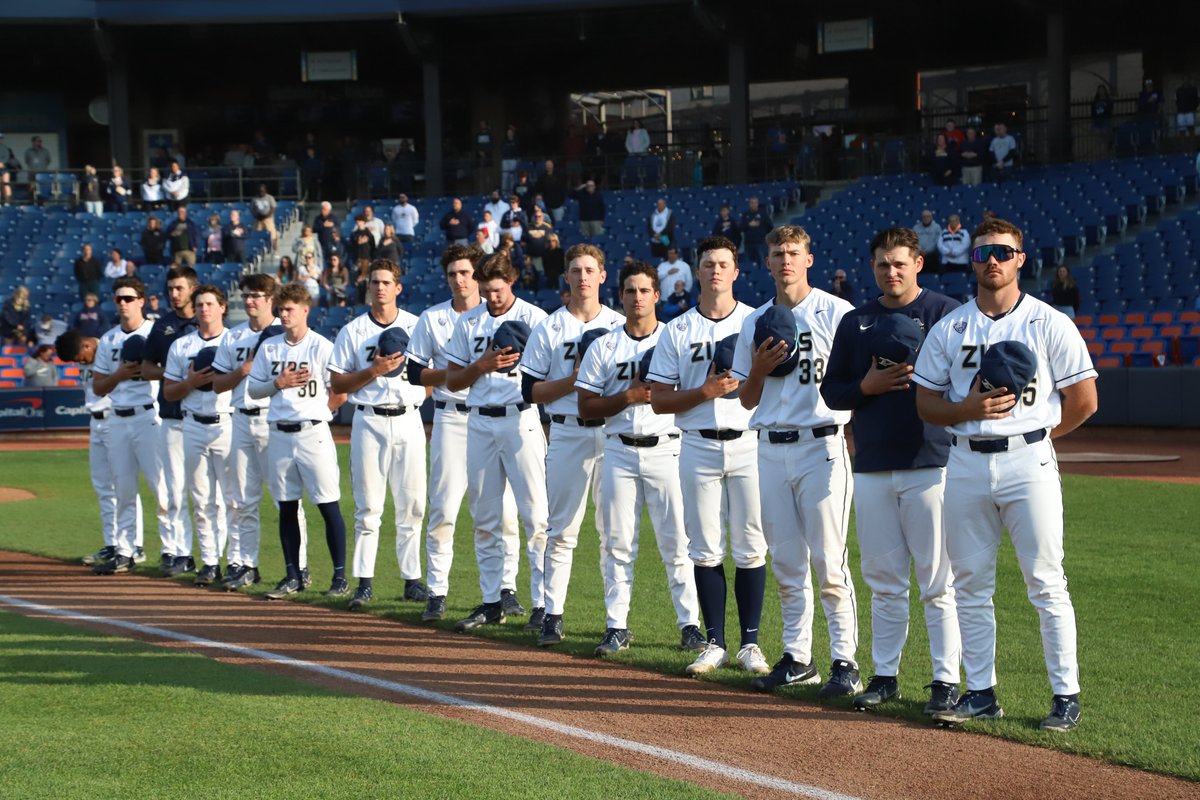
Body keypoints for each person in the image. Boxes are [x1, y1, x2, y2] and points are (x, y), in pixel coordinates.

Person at [913, 217, 1098, 732]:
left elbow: (1084, 401)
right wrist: (967, 408)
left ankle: (1065, 696)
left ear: (1020, 259)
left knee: (1046, 582)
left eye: (1001, 251)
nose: (991, 260)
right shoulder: (952, 327)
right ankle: (981, 692)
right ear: (970, 263)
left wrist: (1034, 438)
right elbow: (927, 404)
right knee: (970, 584)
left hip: (1028, 461)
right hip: (967, 460)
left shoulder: (1049, 322)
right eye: (981, 254)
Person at [821, 226, 963, 715]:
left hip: (932, 462)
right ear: (873, 267)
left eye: (900, 262)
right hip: (874, 465)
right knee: (883, 580)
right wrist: (868, 385)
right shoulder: (855, 320)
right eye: (882, 263)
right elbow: (832, 392)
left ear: (918, 263)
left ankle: (945, 681)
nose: (891, 270)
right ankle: (885, 676)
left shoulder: (946, 313)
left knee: (938, 581)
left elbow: (964, 385)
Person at [729, 225, 859, 697]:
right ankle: (798, 656)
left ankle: (845, 661)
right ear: (766, 262)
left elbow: (852, 384)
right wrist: (759, 372)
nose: (785, 260)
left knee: (829, 561)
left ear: (809, 259)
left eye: (794, 252)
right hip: (769, 447)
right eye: (778, 252)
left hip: (821, 443)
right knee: (785, 561)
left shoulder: (837, 313)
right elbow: (746, 399)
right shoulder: (754, 321)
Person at [647, 236, 770, 677]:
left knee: (752, 545)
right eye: (707, 264)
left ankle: (751, 643)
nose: (715, 271)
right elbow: (659, 400)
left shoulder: (759, 321)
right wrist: (705, 391)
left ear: (737, 271)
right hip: (696, 442)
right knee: (704, 547)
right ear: (695, 272)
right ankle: (715, 641)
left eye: (723, 264)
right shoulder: (677, 329)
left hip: (749, 440)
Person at [575, 259, 703, 656]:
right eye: (630, 290)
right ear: (621, 296)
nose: (637, 297)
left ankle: (690, 625)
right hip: (619, 448)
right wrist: (625, 397)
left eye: (645, 290)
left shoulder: (676, 338)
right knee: (617, 543)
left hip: (667, 446)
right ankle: (617, 625)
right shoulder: (605, 344)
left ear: (657, 295)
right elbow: (585, 407)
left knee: (678, 543)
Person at [406, 244, 521, 622]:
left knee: (504, 511)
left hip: (499, 417)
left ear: (480, 275)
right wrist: (466, 370)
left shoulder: (498, 316)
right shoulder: (433, 318)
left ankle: (507, 590)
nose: (460, 279)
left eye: (466, 273)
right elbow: (415, 374)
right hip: (451, 416)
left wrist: (471, 370)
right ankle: (437, 591)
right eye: (453, 273)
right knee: (443, 507)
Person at [521, 244, 624, 646]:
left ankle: (617, 621)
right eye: (576, 270)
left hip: (612, 431)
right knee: (560, 530)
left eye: (590, 270)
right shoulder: (550, 327)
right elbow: (529, 390)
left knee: (614, 533)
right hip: (566, 430)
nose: (583, 277)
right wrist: (576, 379)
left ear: (602, 275)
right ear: (566, 277)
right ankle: (552, 615)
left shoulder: (620, 324)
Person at [444, 249, 550, 632]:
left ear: (513, 282)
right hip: (479, 422)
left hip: (520, 419)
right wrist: (481, 365)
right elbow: (452, 381)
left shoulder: (535, 319)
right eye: (486, 291)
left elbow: (548, 378)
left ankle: (543, 605)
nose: (492, 298)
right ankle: (492, 601)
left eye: (498, 290)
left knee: (536, 517)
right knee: (485, 518)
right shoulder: (469, 321)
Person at [329, 259, 430, 609]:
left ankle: (412, 580)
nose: (380, 287)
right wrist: (373, 370)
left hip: (408, 418)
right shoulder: (353, 331)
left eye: (387, 282)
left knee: (412, 506)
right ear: (368, 287)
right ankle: (365, 581)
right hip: (369, 419)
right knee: (368, 506)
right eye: (375, 282)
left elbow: (428, 377)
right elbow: (338, 383)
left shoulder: (417, 326)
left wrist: (414, 396)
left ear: (398, 287)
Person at [249, 283, 350, 599]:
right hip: (279, 432)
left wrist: (319, 412)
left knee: (327, 503)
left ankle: (339, 577)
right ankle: (292, 574)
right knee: (287, 506)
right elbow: (253, 391)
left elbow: (341, 391)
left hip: (312, 432)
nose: (284, 314)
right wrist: (277, 383)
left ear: (306, 310)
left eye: (290, 308)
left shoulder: (321, 346)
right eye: (280, 309)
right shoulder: (269, 348)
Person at [210, 273, 309, 591]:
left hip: (273, 419)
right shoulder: (233, 337)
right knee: (241, 498)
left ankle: (299, 567)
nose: (250, 301)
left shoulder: (283, 335)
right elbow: (217, 383)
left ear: (272, 299)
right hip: (239, 417)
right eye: (246, 296)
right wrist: (242, 371)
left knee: (287, 500)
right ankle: (243, 563)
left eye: (257, 295)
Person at [90, 276, 167, 574]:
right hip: (117, 418)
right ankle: (125, 549)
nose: (123, 303)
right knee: (122, 489)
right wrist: (120, 374)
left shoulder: (156, 334)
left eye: (128, 298)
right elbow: (98, 387)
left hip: (149, 416)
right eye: (119, 298)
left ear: (141, 301)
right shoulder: (108, 339)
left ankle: (172, 550)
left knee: (161, 488)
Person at [162, 284, 235, 586]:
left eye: (210, 304)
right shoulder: (181, 345)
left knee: (232, 500)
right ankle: (209, 562)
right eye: (200, 304)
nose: (204, 309)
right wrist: (191, 381)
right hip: (192, 423)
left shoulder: (234, 341)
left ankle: (237, 562)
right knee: (202, 499)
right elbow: (168, 392)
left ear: (222, 307)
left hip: (228, 422)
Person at [56, 329, 146, 569]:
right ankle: (112, 544)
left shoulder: (110, 350)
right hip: (95, 422)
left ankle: (135, 545)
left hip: (116, 419)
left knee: (125, 485)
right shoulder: (87, 356)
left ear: (87, 344)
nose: (79, 362)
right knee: (103, 487)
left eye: (79, 357)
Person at [142, 265, 200, 576]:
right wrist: (173, 376)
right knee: (175, 489)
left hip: (209, 418)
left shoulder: (209, 323)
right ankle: (181, 553)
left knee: (213, 495)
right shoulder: (162, 325)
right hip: (173, 417)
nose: (173, 294)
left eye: (179, 288)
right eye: (170, 289)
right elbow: (146, 367)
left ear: (193, 288)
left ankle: (220, 559)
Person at [739, 197, 772, 270]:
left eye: (755, 202)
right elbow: (740, 227)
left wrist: (761, 230)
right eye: (752, 203)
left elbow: (770, 226)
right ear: (749, 204)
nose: (753, 204)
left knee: (762, 262)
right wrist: (749, 224)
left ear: (757, 204)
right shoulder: (745, 215)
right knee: (750, 263)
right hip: (748, 243)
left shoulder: (763, 214)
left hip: (760, 243)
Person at [535, 160, 568, 224]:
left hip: (558, 205)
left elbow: (563, 189)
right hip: (547, 205)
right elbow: (539, 189)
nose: (548, 166)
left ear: (553, 165)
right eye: (547, 165)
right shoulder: (542, 177)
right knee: (547, 224)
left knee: (558, 224)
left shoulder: (559, 175)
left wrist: (561, 201)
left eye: (549, 165)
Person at [250, 183, 278, 253]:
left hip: (268, 219)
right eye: (259, 191)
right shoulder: (254, 199)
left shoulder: (270, 198)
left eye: (262, 191)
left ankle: (275, 250)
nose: (261, 193)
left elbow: (273, 208)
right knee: (256, 234)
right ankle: (257, 251)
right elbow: (252, 209)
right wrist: (256, 216)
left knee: (273, 235)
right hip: (258, 219)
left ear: (265, 190)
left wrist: (267, 216)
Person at [914, 209, 942, 274]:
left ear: (931, 217)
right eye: (924, 216)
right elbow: (914, 241)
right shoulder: (916, 228)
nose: (926, 218)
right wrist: (920, 250)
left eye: (928, 216)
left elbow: (937, 241)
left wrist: (927, 251)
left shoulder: (937, 227)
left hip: (932, 255)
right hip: (920, 254)